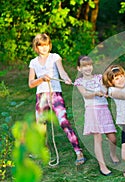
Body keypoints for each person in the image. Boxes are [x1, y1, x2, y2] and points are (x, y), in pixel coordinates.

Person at [28, 33, 85, 165]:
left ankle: (78, 151)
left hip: (55, 94)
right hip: (41, 96)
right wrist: (41, 78)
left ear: (49, 45)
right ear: (36, 47)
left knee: (63, 121)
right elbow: (31, 84)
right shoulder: (33, 62)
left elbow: (62, 71)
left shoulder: (55, 57)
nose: (44, 48)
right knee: (40, 125)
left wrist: (66, 78)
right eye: (41, 45)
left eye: (46, 45)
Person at [74, 56, 119, 176]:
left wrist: (104, 91)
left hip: (103, 109)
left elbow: (104, 88)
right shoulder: (79, 82)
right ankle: (102, 166)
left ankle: (113, 154)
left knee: (112, 137)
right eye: (84, 66)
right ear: (79, 68)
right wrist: (95, 93)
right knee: (97, 138)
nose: (87, 68)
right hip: (92, 111)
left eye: (89, 65)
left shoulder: (99, 77)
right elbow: (85, 94)